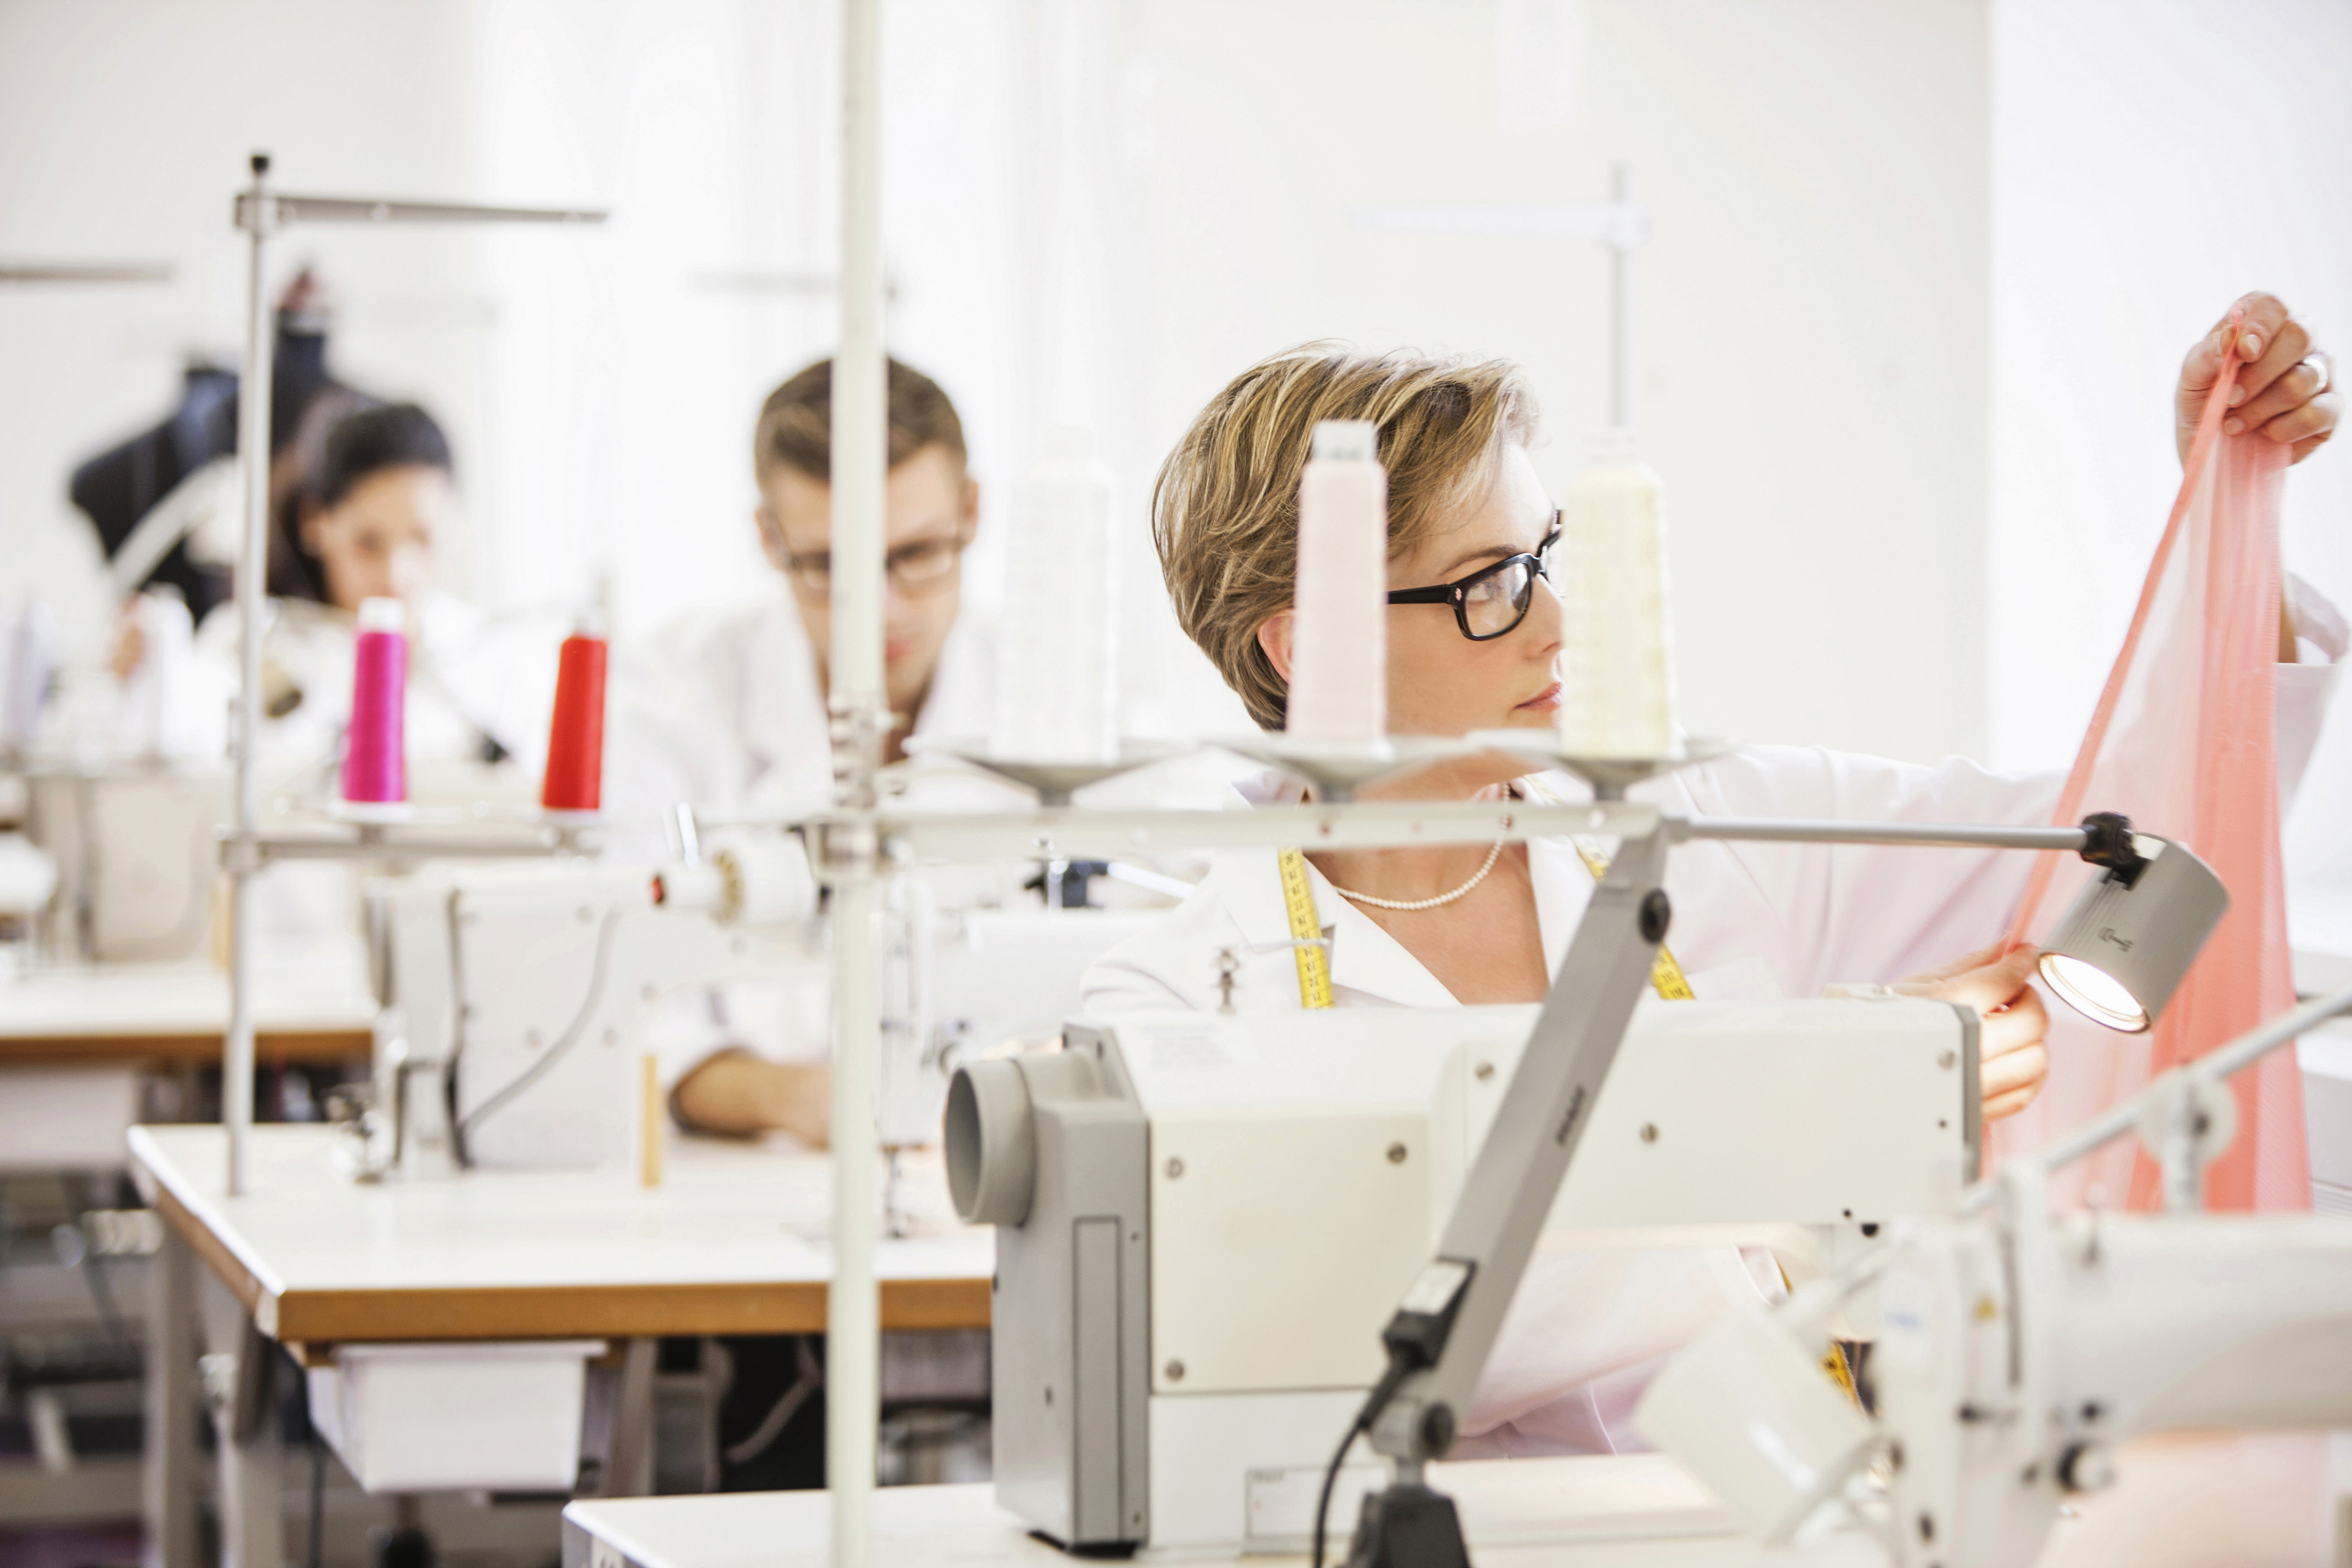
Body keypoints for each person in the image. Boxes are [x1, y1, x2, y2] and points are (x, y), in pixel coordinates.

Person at [1080, 293, 2342, 1453]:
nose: (1560, 622)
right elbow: (1343, 1343)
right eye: (1491, 586)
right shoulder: (1173, 1006)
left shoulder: (1718, 822)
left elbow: (2141, 844)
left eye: (1546, 556)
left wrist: (2225, 520)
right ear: (1307, 644)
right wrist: (1828, 1117)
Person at [608, 356, 996, 1142]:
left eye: (918, 554)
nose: (880, 609)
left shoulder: (1056, 708)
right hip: (728, 1176)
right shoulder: (671, 696)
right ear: (769, 538)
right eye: (829, 567)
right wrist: (798, 1102)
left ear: (973, 511)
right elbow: (616, 995)